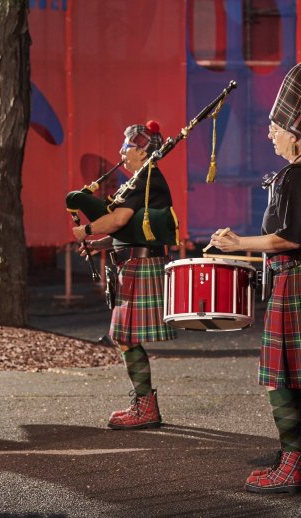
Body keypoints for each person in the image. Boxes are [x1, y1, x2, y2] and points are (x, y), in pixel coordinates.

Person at [210, 50, 301, 494]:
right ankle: (292, 457)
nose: (270, 133)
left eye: (276, 127)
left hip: (297, 276)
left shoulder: (297, 176)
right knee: (285, 376)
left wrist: (239, 245)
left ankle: (293, 464)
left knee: (279, 378)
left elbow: (289, 238)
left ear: (295, 133)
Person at [73, 120, 176, 430]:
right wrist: (98, 244)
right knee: (125, 337)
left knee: (124, 337)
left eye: (127, 146)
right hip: (133, 265)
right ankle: (145, 405)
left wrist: (87, 230)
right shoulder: (140, 181)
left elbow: (118, 220)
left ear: (143, 152)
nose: (121, 151)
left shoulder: (146, 180)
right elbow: (129, 231)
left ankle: (145, 407)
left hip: (141, 267)